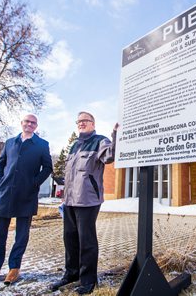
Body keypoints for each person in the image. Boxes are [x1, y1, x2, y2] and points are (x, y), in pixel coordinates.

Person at [50, 111, 118, 295]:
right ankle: (71, 274)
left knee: (86, 241)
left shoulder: (100, 141)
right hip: (70, 201)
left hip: (88, 200)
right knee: (70, 239)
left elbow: (110, 155)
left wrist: (116, 135)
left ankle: (88, 280)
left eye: (85, 121)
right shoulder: (74, 145)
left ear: (93, 124)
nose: (81, 123)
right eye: (78, 121)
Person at [0, 114, 53, 287]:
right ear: (22, 124)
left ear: (36, 126)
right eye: (27, 121)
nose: (29, 124)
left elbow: (48, 167)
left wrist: (34, 183)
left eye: (33, 122)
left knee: (21, 235)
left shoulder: (42, 145)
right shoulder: (9, 143)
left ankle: (14, 268)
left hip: (27, 195)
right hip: (5, 194)